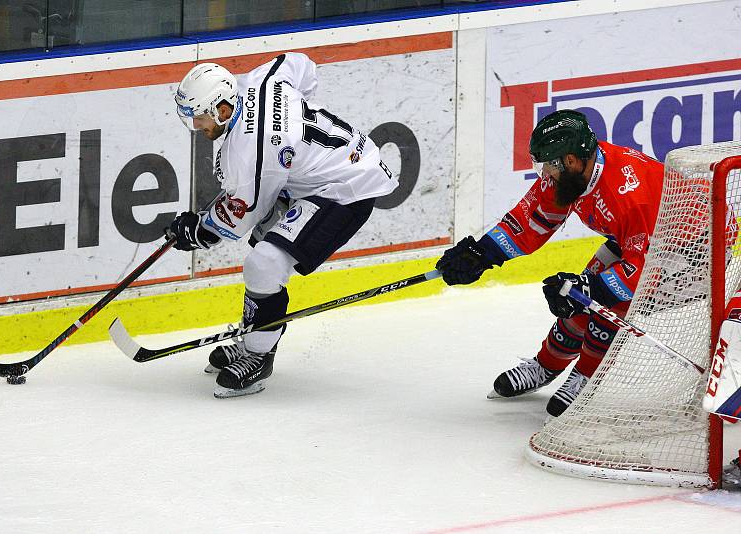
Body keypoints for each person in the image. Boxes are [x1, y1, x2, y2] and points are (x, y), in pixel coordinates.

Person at [168, 53, 397, 398]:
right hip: (339, 164)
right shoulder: (262, 81)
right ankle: (256, 334)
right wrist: (293, 127)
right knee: (264, 245)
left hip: (347, 188)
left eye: (199, 118)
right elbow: (300, 63)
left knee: (264, 262)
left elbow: (240, 216)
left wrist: (198, 230)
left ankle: (258, 355)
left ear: (223, 109)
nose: (197, 127)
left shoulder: (249, 151)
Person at [436, 109, 665, 417]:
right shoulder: (577, 172)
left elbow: (647, 269)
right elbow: (531, 218)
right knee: (578, 297)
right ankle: (547, 365)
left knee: (605, 303)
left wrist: (591, 291)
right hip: (641, 243)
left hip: (691, 252)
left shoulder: (630, 196)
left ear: (570, 160)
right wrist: (481, 254)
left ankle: (585, 377)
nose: (545, 173)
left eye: (548, 165)